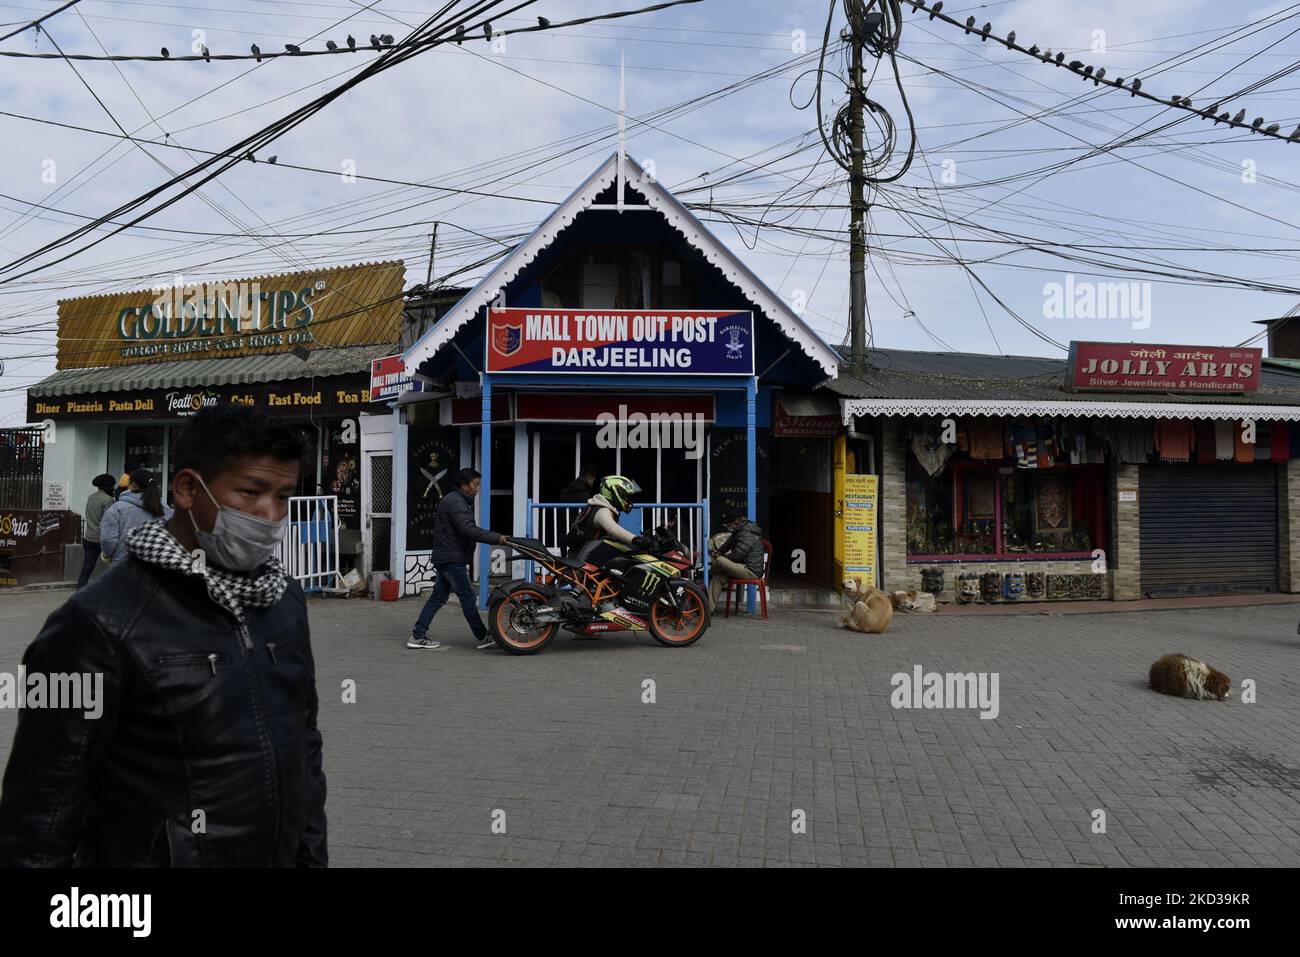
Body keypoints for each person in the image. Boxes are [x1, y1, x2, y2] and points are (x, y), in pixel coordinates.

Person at [0, 405, 327, 867]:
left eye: (283, 496)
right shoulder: (96, 626)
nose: (269, 515)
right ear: (188, 489)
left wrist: (312, 857)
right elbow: (39, 818)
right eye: (251, 492)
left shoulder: (283, 599)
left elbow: (306, 748)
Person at [408, 468, 509, 651]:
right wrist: (497, 538)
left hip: (447, 557)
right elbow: (468, 530)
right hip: (452, 559)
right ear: (464, 485)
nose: (477, 489)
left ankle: (417, 634)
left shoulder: (455, 500)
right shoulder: (456, 502)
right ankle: (483, 636)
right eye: (475, 485)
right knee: (468, 597)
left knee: (438, 597)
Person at [99, 468, 173, 564]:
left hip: (123, 566)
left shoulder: (116, 509)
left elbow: (108, 540)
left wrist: (107, 554)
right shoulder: (166, 509)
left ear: (133, 485)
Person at [567, 475, 646, 563]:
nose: (629, 501)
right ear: (614, 493)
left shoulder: (600, 506)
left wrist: (641, 538)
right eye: (626, 496)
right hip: (583, 559)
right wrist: (636, 540)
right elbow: (613, 529)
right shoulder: (602, 511)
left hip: (587, 555)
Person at [707, 512, 765, 614]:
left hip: (750, 570)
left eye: (729, 525)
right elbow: (728, 544)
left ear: (736, 522)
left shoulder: (747, 533)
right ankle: (708, 609)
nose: (728, 528)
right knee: (717, 578)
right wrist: (719, 551)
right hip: (742, 567)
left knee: (719, 560)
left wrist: (721, 557)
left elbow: (738, 555)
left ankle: (710, 572)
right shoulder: (739, 531)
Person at [76, 473, 117, 589]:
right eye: (113, 486)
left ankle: (80, 589)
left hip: (89, 537)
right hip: (102, 539)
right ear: (108, 487)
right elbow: (109, 521)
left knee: (87, 568)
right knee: (114, 566)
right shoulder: (108, 500)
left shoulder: (91, 497)